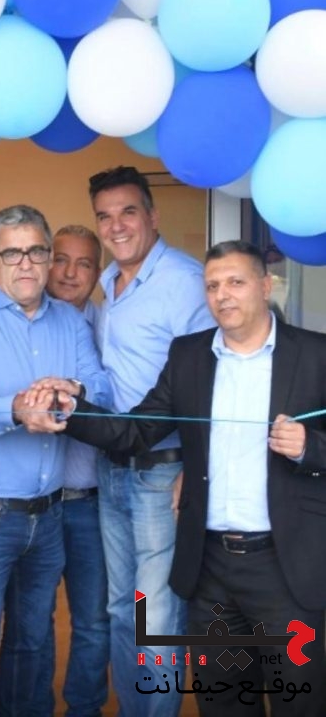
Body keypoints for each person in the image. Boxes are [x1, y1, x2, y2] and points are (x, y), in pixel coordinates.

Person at [58, 240, 326, 716]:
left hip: (287, 567)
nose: (223, 295)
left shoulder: (315, 354)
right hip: (210, 569)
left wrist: (311, 447)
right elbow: (137, 431)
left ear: (265, 286)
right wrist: (70, 411)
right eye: (213, 285)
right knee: (222, 705)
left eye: (236, 282)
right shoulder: (189, 356)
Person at [0, 204, 111, 717]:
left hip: (49, 514)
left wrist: (73, 390)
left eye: (36, 251)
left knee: (31, 640)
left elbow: (100, 388)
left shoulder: (70, 322)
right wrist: (17, 409)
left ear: (48, 256)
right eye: (12, 253)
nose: (27, 263)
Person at [87, 165, 214, 716]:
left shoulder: (184, 282)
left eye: (128, 212)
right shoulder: (107, 286)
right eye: (105, 216)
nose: (116, 226)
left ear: (153, 216)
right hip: (112, 467)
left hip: (163, 472)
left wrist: (196, 467)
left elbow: (209, 379)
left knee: (155, 614)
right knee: (122, 608)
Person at [30, 224, 110, 717]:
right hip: (36, 505)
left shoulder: (110, 327)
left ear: (98, 273)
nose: (70, 273)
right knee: (33, 621)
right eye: (61, 259)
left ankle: (84, 708)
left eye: (84, 264)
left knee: (94, 621)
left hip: (90, 501)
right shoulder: (25, 322)